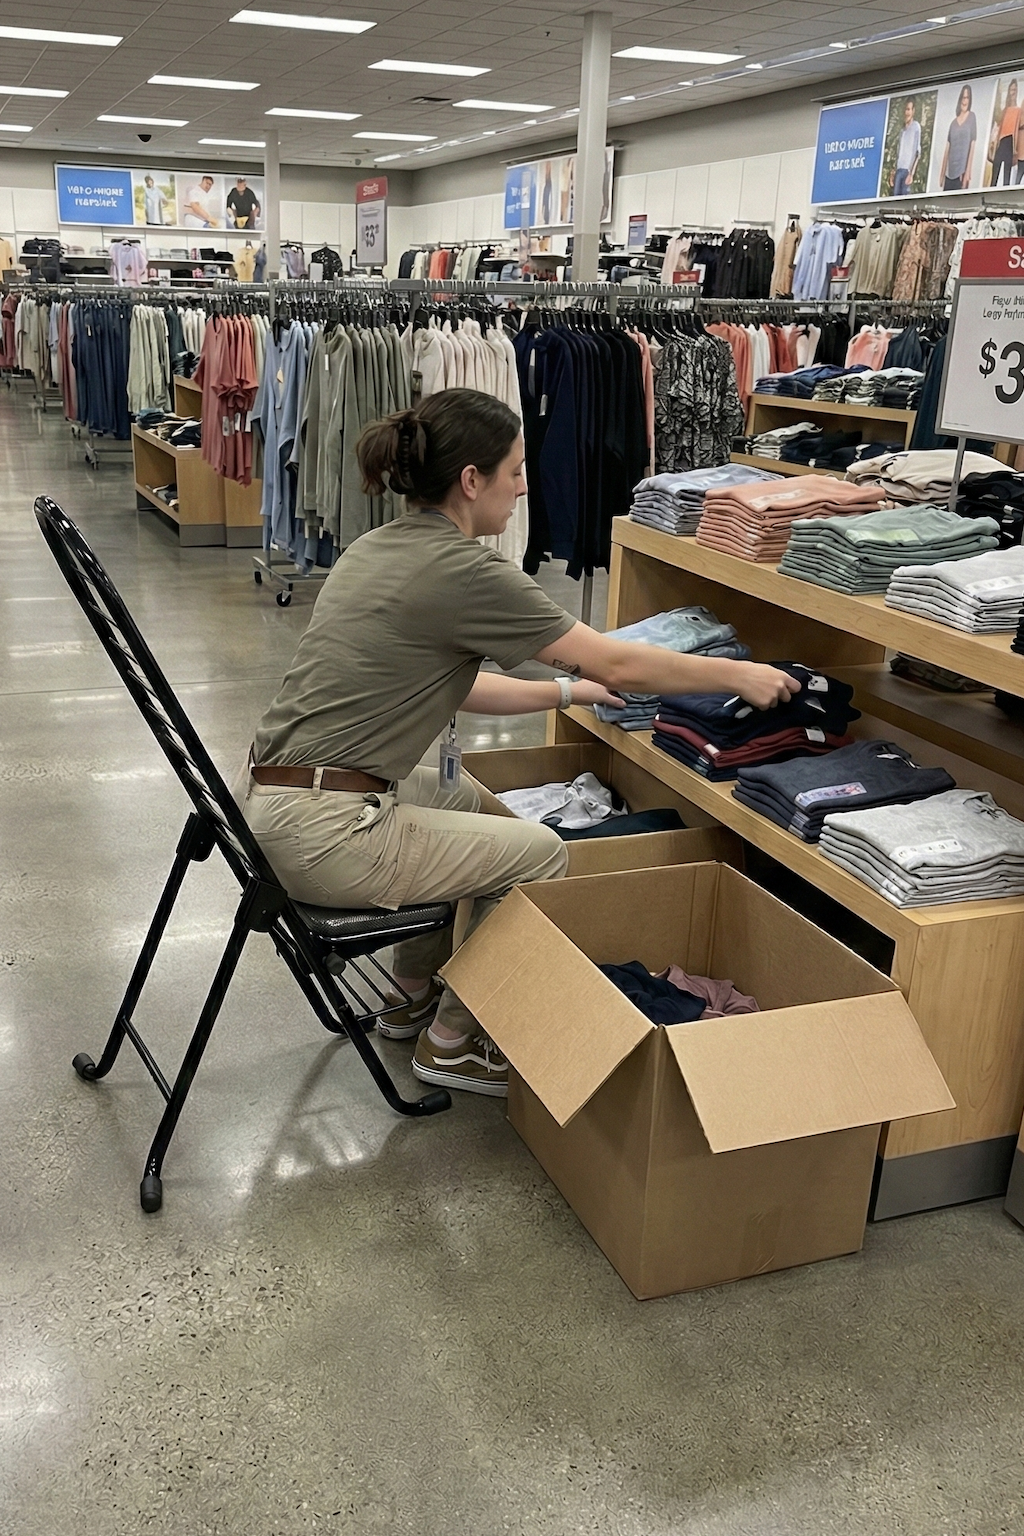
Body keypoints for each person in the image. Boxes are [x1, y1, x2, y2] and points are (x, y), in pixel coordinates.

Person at [242, 391, 798, 1097]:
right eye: (515, 469)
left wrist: (570, 693)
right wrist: (737, 673)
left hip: (271, 804)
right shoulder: (468, 572)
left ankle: (411, 990)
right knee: (540, 853)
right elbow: (617, 661)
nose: (526, 485)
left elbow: (456, 687)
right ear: (471, 480)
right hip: (325, 834)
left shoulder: (377, 550)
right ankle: (452, 1039)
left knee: (459, 795)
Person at [939, 85, 977, 191]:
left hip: (961, 174)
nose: (964, 101)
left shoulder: (972, 117)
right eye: (963, 97)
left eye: (967, 97)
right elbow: (947, 150)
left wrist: (967, 173)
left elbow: (972, 145)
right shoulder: (953, 123)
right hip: (949, 174)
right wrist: (942, 175)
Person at [991, 78, 1019, 187]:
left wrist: (1015, 150)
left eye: (1015, 90)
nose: (1013, 93)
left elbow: (1016, 131)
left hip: (1009, 143)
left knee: (1006, 177)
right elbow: (998, 128)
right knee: (995, 172)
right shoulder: (1005, 110)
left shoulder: (1018, 110)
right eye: (1011, 90)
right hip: (1001, 142)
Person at [891, 98, 921, 197]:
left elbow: (917, 153)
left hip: (907, 171)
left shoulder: (916, 127)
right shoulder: (902, 131)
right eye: (905, 109)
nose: (906, 112)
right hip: (899, 170)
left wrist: (911, 174)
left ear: (913, 111)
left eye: (908, 109)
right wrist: (893, 173)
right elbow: (898, 153)